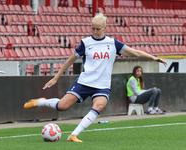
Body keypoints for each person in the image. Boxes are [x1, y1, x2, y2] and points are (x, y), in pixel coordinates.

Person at [24, 13, 167, 142]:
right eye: (93, 28)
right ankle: (41, 102)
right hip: (84, 82)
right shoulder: (86, 43)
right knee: (62, 106)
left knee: (99, 106)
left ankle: (73, 135)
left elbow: (135, 53)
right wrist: (56, 77)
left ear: (105, 28)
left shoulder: (113, 43)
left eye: (98, 29)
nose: (95, 32)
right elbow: (70, 60)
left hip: (102, 85)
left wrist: (153, 57)